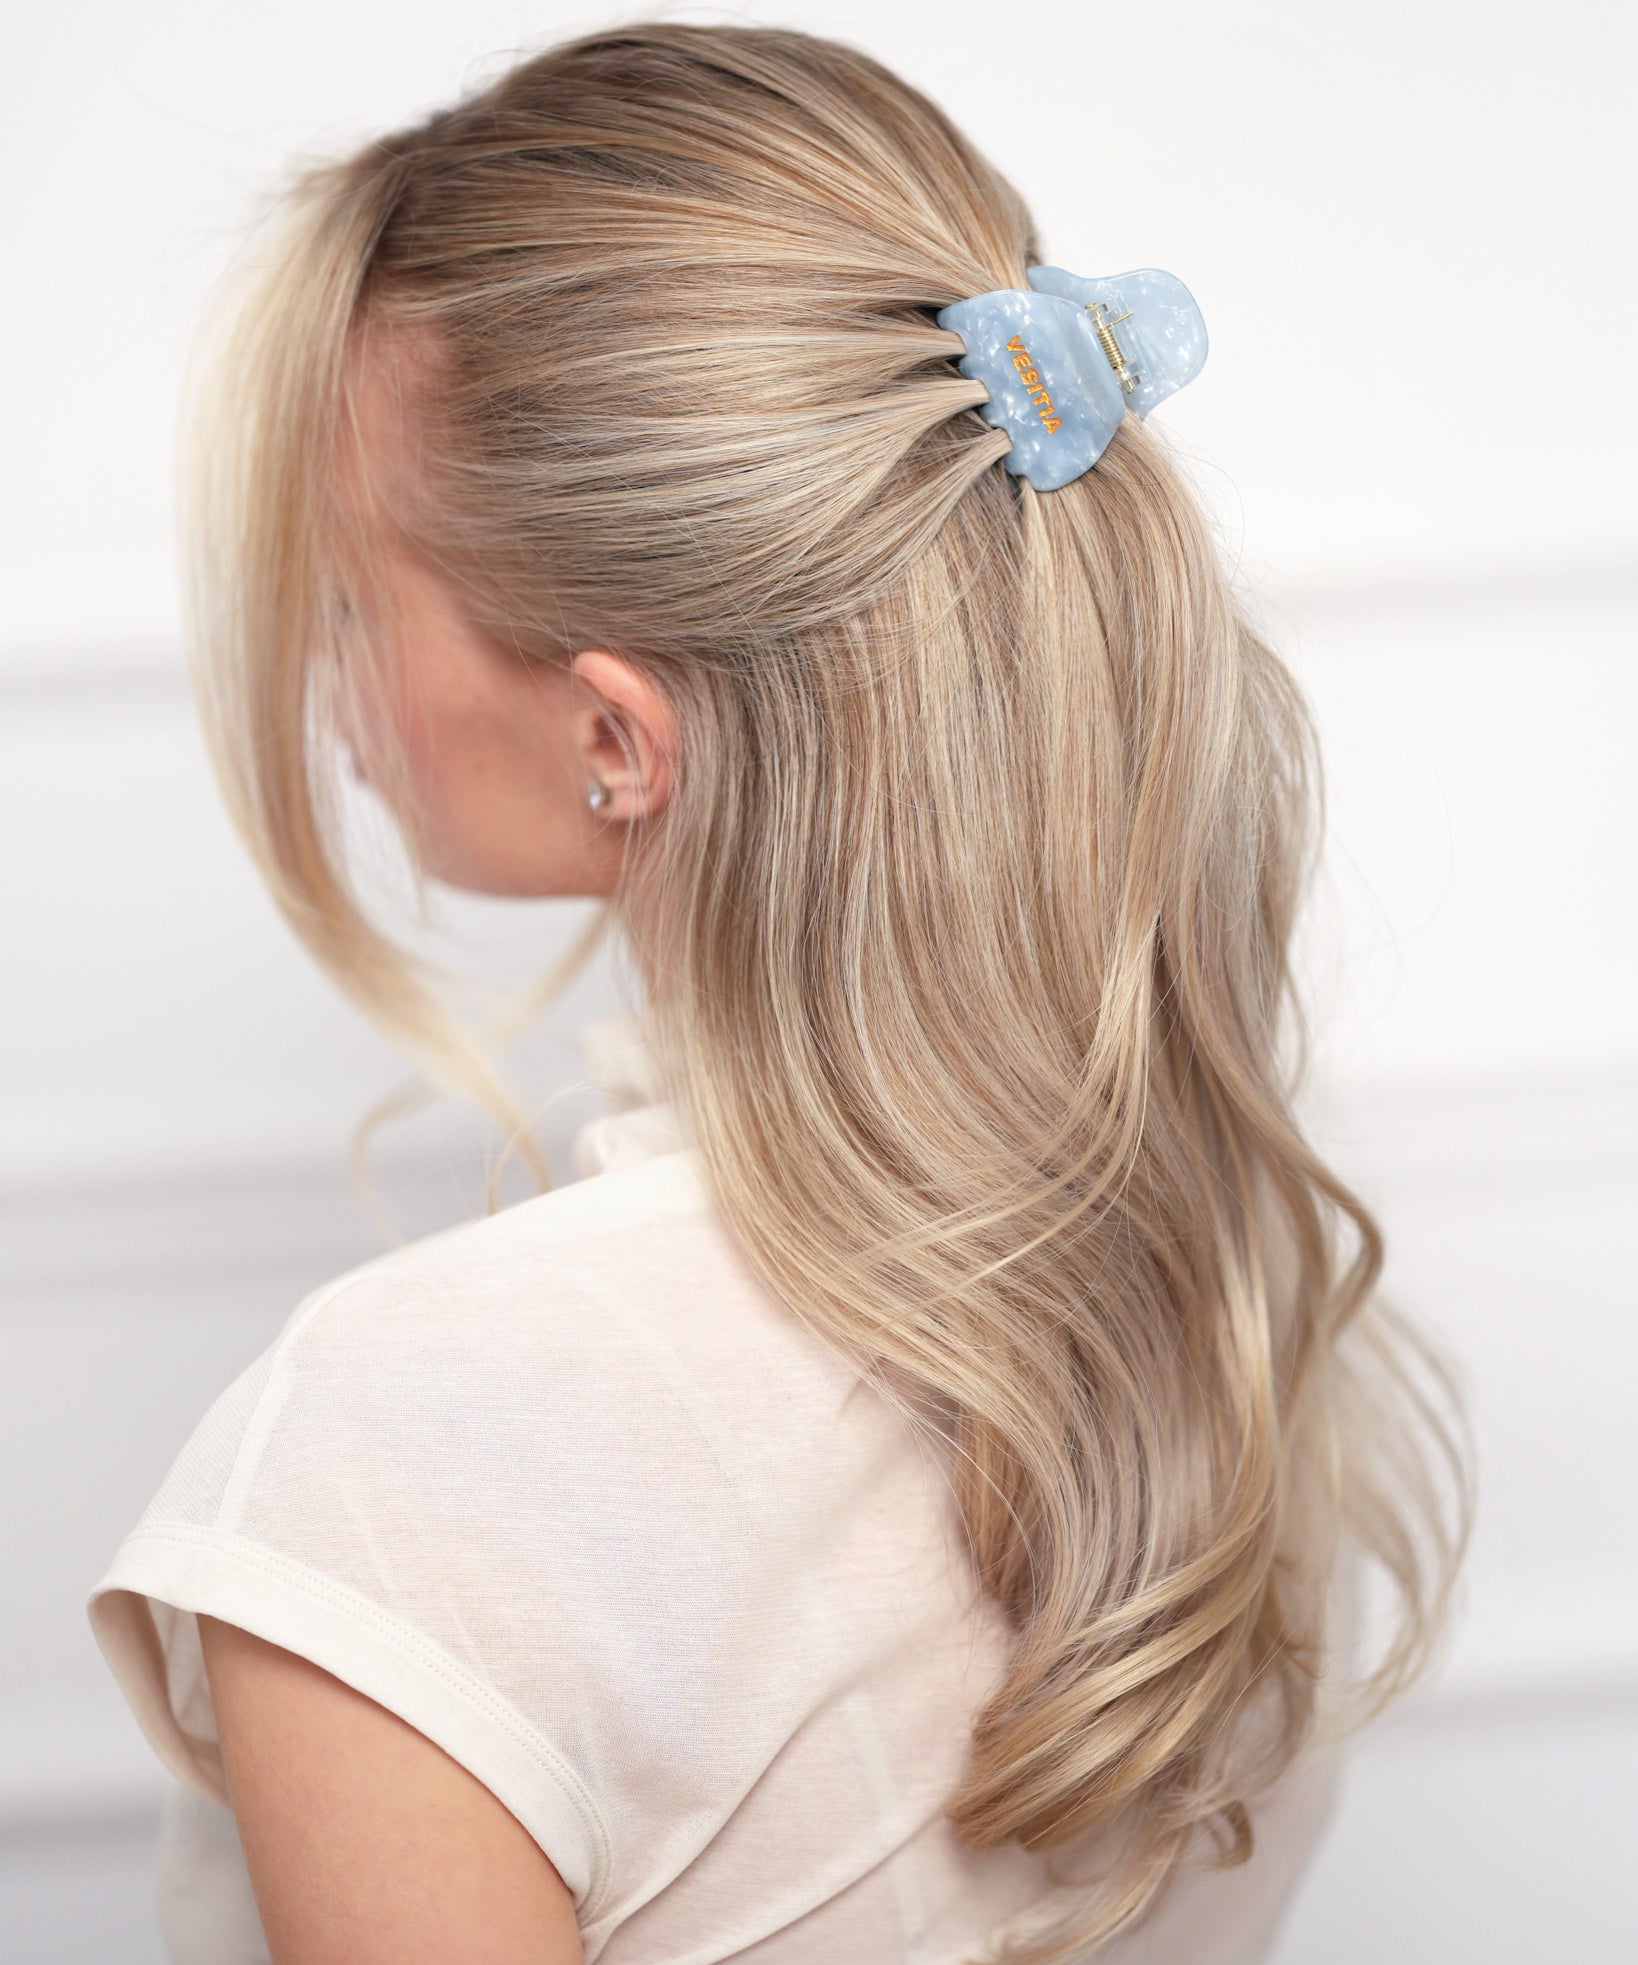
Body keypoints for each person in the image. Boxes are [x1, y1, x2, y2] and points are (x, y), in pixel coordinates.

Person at [86, 20, 1470, 1965]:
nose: (331, 685)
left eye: (343, 598)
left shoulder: (397, 1438)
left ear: (613, 737)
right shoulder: (1208, 1296)